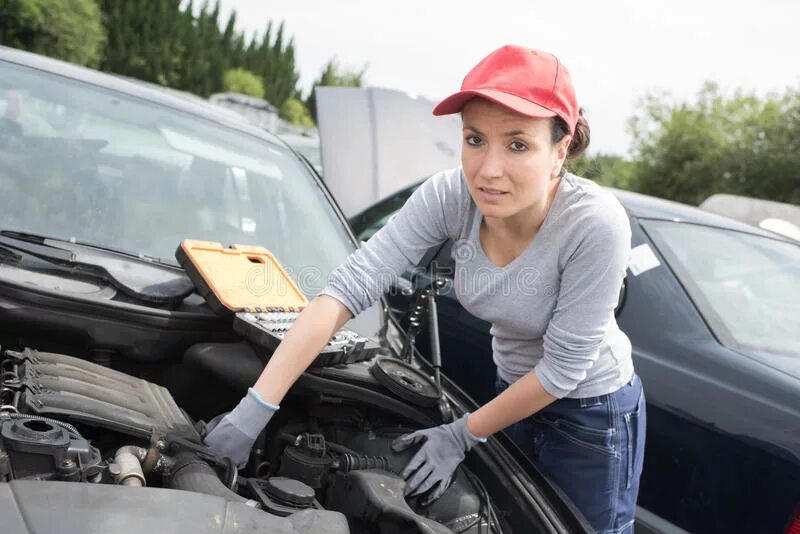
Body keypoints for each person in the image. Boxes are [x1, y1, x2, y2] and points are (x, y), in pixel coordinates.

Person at [204, 44, 646, 534]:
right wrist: (255, 408)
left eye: (517, 144)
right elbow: (350, 286)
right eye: (475, 139)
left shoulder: (594, 224)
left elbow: (563, 371)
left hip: (590, 411)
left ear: (560, 150)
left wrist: (461, 433)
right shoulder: (450, 195)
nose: (488, 169)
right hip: (511, 388)